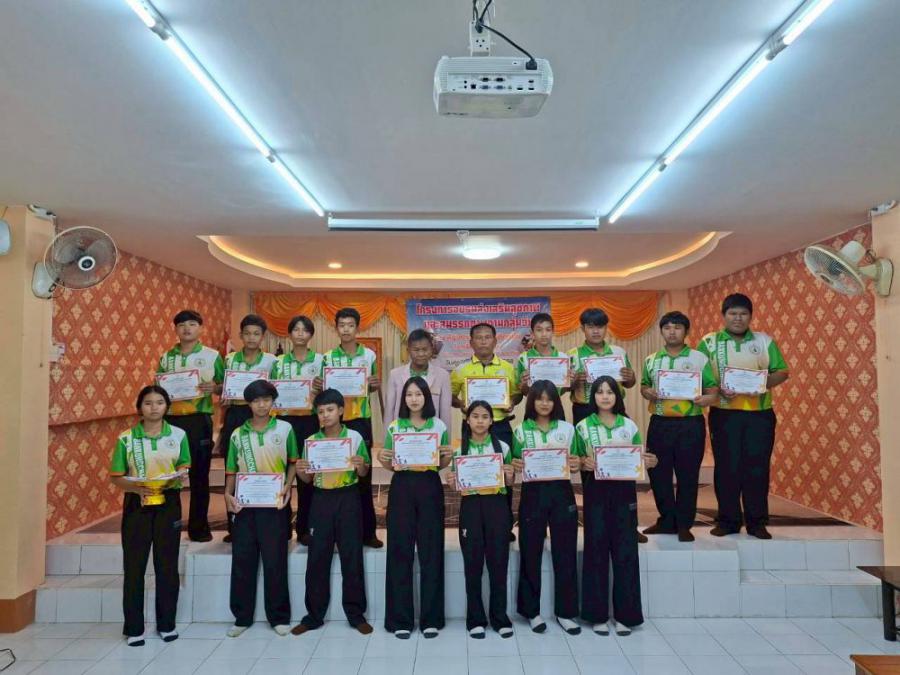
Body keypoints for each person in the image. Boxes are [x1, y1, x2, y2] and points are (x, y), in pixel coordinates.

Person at [697, 293, 790, 540]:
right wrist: (718, 389)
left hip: (759, 415)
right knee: (727, 467)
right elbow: (700, 376)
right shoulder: (709, 342)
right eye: (732, 313)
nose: (738, 318)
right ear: (723, 316)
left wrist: (761, 383)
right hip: (724, 415)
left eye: (743, 314)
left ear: (750, 316)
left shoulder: (763, 341)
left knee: (757, 468)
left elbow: (781, 371)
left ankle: (757, 522)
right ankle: (728, 521)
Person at [109, 385, 191, 647]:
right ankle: (134, 628)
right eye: (148, 403)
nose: (154, 408)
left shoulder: (178, 435)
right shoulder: (126, 438)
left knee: (167, 565)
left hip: (168, 503)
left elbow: (184, 464)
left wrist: (181, 475)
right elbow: (116, 476)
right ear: (139, 408)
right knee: (134, 567)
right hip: (137, 504)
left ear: (167, 406)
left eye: (159, 402)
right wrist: (136, 488)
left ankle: (167, 625)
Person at [576, 376, 658, 636]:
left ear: (617, 396)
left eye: (610, 392)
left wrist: (650, 461)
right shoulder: (582, 426)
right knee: (595, 550)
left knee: (626, 552)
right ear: (593, 396)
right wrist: (583, 462)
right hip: (595, 491)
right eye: (599, 392)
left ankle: (626, 616)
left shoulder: (629, 425)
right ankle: (597, 615)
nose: (605, 396)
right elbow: (576, 459)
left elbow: (639, 457)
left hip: (624, 492)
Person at [292, 389, 374, 635]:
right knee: (317, 557)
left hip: (348, 498)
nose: (325, 415)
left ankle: (356, 614)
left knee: (352, 556)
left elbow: (363, 473)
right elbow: (307, 479)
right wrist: (301, 470)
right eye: (320, 411)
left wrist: (361, 465)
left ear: (340, 410)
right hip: (321, 499)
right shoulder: (312, 441)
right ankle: (313, 615)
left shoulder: (355, 437)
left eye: (330, 410)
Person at [378, 376, 453, 639]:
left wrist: (447, 458)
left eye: (418, 394)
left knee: (431, 550)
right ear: (403, 399)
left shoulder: (439, 425)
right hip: (402, 486)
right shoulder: (395, 426)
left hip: (429, 485)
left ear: (426, 398)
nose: (414, 399)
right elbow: (390, 464)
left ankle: (431, 619)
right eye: (409, 394)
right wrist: (382, 458)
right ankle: (400, 619)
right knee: (400, 550)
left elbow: (441, 463)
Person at [224, 380, 297, 637]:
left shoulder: (285, 429)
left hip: (274, 504)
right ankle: (241, 617)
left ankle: (279, 617)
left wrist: (288, 486)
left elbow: (293, 462)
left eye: (266, 400)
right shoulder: (237, 434)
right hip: (245, 506)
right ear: (249, 404)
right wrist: (227, 494)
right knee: (243, 560)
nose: (262, 405)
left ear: (273, 401)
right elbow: (231, 470)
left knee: (275, 560)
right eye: (256, 400)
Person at [640, 311, 718, 542]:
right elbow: (644, 386)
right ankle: (666, 520)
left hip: (690, 423)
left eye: (677, 327)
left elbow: (712, 390)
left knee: (688, 474)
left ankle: (684, 524)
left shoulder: (698, 358)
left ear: (686, 331)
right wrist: (648, 392)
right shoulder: (652, 359)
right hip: (660, 423)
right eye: (667, 327)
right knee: (658, 474)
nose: (672, 332)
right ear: (661, 331)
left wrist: (706, 399)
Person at [510, 380, 582, 635]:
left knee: (566, 552)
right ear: (532, 401)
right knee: (530, 551)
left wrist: (576, 463)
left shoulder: (567, 429)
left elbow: (576, 461)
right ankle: (532, 612)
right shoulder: (520, 430)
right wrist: (516, 464)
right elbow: (514, 461)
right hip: (533, 493)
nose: (544, 403)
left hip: (561, 492)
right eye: (539, 398)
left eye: (549, 398)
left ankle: (566, 612)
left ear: (555, 402)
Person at [447, 400, 515, 639]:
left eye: (485, 416)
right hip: (471, 508)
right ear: (467, 420)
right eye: (475, 416)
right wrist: (452, 481)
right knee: (473, 565)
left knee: (499, 563)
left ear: (491, 420)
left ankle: (500, 618)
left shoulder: (503, 447)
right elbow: (456, 486)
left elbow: (509, 482)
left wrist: (510, 475)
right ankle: (475, 619)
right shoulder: (459, 451)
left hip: (497, 507)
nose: (480, 421)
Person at [156, 309, 224, 542]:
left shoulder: (212, 356)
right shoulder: (166, 357)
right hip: (171, 421)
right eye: (182, 325)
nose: (187, 328)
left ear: (200, 328)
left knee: (199, 477)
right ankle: (169, 525)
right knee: (169, 475)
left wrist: (214, 388)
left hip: (198, 420)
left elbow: (226, 386)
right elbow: (158, 389)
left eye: (192, 324)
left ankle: (199, 528)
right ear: (175, 329)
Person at [451, 323, 521, 539]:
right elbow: (452, 396)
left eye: (487, 337)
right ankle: (473, 523)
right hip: (472, 427)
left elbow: (517, 393)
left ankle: (504, 526)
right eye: (478, 338)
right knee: (472, 472)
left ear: (495, 341)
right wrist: (462, 404)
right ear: (471, 342)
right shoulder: (461, 369)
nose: (483, 341)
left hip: (500, 426)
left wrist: (512, 402)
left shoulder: (508, 368)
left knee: (505, 475)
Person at [323, 307, 382, 548]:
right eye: (342, 325)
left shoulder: (369, 355)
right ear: (336, 328)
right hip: (334, 422)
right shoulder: (327, 357)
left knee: (363, 476)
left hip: (360, 421)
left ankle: (368, 533)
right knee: (335, 474)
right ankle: (337, 532)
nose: (346, 329)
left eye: (350, 325)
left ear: (357, 328)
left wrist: (374, 384)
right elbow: (324, 392)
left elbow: (373, 387)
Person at [222, 314, 277, 543]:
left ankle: (268, 522)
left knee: (264, 463)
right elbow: (222, 386)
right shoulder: (229, 359)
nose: (251, 337)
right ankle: (234, 524)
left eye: (256, 333)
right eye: (247, 333)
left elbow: (277, 389)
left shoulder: (272, 361)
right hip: (236, 413)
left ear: (262, 336)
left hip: (262, 415)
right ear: (241, 335)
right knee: (235, 466)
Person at [270, 314, 324, 545]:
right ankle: (280, 527)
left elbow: (329, 393)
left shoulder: (321, 360)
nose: (300, 334)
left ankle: (304, 528)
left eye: (305, 330)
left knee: (306, 476)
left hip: (310, 422)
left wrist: (321, 387)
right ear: (289, 334)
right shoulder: (278, 362)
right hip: (283, 423)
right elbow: (270, 393)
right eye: (296, 329)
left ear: (311, 334)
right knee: (281, 473)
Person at [568, 308, 636, 426]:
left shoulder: (618, 352)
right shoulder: (572, 355)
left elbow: (629, 384)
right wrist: (575, 381)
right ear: (582, 328)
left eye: (600, 327)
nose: (596, 331)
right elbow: (564, 388)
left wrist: (631, 377)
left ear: (606, 328)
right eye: (591, 327)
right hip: (584, 409)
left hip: (614, 406)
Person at [384, 329, 452, 432]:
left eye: (425, 349)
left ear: (432, 349)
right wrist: (388, 438)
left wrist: (445, 439)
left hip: (431, 434)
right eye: (416, 350)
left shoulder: (443, 376)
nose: (421, 354)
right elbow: (389, 410)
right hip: (402, 433)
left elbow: (445, 412)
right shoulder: (395, 375)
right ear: (408, 350)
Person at [515, 313, 570, 396]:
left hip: (556, 403)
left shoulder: (563, 358)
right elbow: (523, 392)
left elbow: (562, 391)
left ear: (553, 332)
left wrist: (571, 381)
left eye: (548, 330)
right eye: (539, 330)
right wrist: (524, 384)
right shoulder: (523, 358)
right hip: (532, 403)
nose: (544, 334)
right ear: (532, 333)